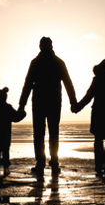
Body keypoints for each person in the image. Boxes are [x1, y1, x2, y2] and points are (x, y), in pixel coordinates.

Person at [18, 37, 77, 175]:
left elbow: (27, 84)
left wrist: (22, 104)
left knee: (40, 133)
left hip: (40, 101)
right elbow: (68, 83)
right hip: (53, 101)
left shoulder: (36, 62)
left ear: (41, 46)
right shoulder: (58, 62)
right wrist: (73, 102)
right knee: (53, 132)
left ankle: (41, 163)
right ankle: (53, 162)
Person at [72, 59, 105, 180]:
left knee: (98, 141)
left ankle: (99, 166)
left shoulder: (98, 80)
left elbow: (89, 95)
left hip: (99, 113)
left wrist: (77, 107)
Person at [0, 87, 26, 177]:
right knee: (5, 151)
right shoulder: (7, 108)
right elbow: (15, 117)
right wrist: (22, 113)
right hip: (5, 134)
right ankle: (5, 168)